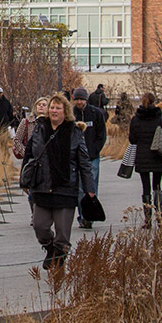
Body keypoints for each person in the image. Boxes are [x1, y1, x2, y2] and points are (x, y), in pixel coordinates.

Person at [26, 95, 93, 268]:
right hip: (42, 186)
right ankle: (50, 248)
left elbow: (84, 163)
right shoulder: (40, 130)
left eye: (58, 108)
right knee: (40, 227)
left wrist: (89, 189)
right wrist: (25, 180)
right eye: (52, 107)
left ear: (65, 111)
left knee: (62, 234)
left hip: (66, 187)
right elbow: (29, 155)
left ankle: (59, 262)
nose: (54, 111)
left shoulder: (75, 132)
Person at [125, 93, 162, 228]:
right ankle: (159, 215)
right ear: (155, 102)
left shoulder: (136, 118)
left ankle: (147, 219)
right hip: (158, 154)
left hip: (142, 155)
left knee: (146, 187)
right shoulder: (160, 117)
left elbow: (132, 139)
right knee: (157, 186)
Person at [71, 86, 107, 229]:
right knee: (79, 188)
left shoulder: (95, 113)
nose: (79, 102)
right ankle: (83, 216)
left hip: (92, 156)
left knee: (91, 187)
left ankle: (90, 215)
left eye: (82, 99)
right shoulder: (71, 114)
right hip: (75, 158)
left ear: (86, 100)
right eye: (77, 99)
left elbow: (101, 134)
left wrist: (95, 149)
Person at [13, 96, 50, 160]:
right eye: (39, 104)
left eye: (44, 105)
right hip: (30, 160)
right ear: (35, 107)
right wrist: (26, 153)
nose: (41, 106)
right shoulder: (26, 121)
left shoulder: (52, 123)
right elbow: (17, 140)